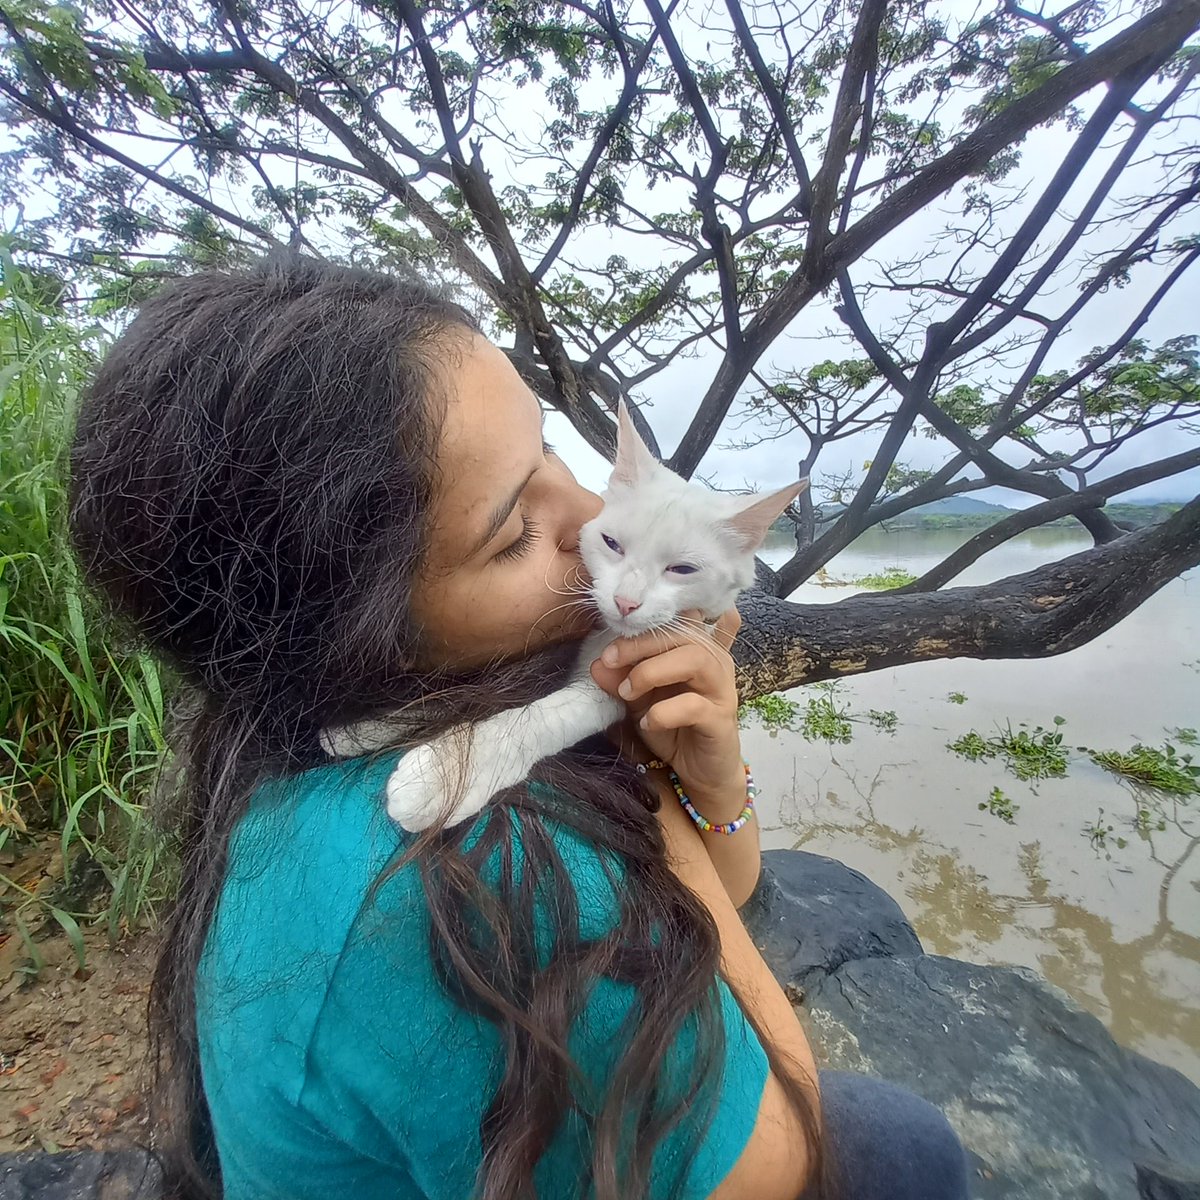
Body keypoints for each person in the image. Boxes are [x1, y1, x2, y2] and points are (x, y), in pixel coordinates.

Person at [66, 255, 970, 1200]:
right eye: (513, 533)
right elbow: (786, 1163)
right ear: (359, 626)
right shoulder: (490, 868)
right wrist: (652, 792)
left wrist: (710, 775)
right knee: (909, 1144)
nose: (589, 519)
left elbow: (729, 893)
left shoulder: (282, 743)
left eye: (549, 452)